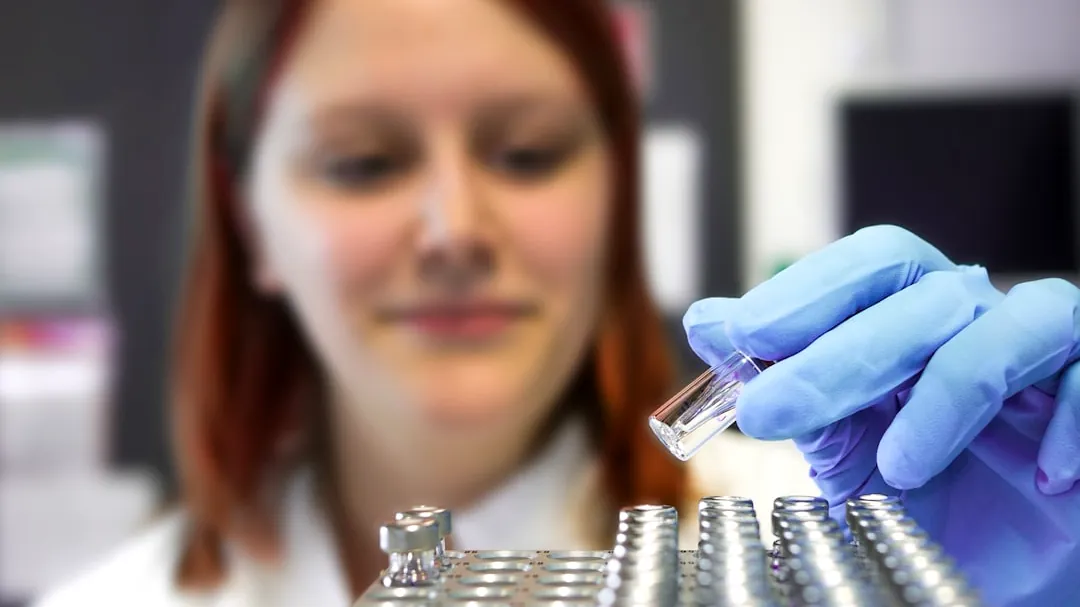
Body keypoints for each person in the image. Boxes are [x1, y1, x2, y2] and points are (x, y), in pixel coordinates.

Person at [33, 1, 1080, 606]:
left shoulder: (818, 537)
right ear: (251, 224)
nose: (454, 229)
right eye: (361, 161)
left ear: (614, 204)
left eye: (528, 152)